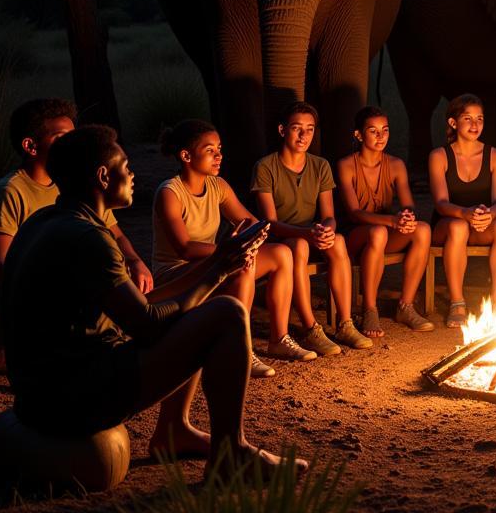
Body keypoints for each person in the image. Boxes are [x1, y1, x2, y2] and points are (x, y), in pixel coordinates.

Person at [1, 125, 304, 476]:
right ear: (103, 176)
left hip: (38, 396)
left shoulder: (47, 221)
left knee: (200, 306)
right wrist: (218, 272)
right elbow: (146, 325)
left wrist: (217, 264)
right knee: (228, 313)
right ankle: (231, 452)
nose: (132, 174)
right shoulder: (90, 239)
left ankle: (174, 429)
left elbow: (133, 307)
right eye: (126, 166)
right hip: (76, 396)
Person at [0, 99, 151, 372]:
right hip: (26, 299)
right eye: (62, 137)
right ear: (30, 146)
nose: (73, 143)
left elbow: (116, 233)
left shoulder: (71, 187)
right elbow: (2, 267)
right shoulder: (10, 192)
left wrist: (134, 261)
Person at [152, 119, 307, 384]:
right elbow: (185, 248)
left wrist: (252, 241)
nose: (219, 155)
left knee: (281, 254)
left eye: (220, 149)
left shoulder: (217, 186)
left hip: (214, 263)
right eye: (210, 150)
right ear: (186, 156)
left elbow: (252, 224)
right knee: (241, 269)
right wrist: (228, 251)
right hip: (177, 274)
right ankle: (240, 349)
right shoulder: (170, 192)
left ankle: (278, 338)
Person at [250, 102, 368, 354]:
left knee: (338, 240)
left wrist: (326, 229)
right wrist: (306, 233)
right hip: (283, 239)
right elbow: (269, 223)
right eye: (297, 128)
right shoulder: (266, 167)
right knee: (300, 245)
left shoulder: (320, 165)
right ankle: (310, 328)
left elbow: (329, 216)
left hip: (310, 234)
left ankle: (345, 324)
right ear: (282, 130)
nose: (304, 136)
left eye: (310, 129)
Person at [337, 106, 434, 336]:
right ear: (359, 135)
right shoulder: (346, 165)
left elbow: (408, 203)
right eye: (373, 131)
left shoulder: (396, 164)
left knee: (422, 230)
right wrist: (392, 220)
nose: (381, 137)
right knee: (378, 232)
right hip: (355, 237)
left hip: (384, 231)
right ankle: (369, 309)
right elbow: (354, 213)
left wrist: (406, 217)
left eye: (385, 130)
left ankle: (405, 306)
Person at [428, 94, 496, 328]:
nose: (475, 125)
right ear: (453, 123)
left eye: (480, 119)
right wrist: (465, 213)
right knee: (458, 226)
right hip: (449, 225)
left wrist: (489, 215)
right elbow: (441, 204)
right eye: (468, 118)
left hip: (481, 223)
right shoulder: (439, 156)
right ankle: (457, 302)